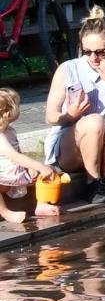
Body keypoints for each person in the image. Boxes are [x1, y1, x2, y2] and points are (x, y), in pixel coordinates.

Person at [43, 7, 105, 202]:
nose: (93, 58)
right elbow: (50, 117)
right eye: (87, 51)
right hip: (71, 150)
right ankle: (92, 182)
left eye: (100, 52)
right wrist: (69, 115)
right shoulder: (68, 69)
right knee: (94, 121)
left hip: (103, 146)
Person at [0, 87, 60, 222]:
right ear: (8, 113)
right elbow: (15, 156)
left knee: (50, 171)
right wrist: (39, 166)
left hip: (15, 173)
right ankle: (5, 213)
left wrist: (32, 167)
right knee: (43, 169)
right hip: (3, 177)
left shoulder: (10, 130)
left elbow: (19, 153)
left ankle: (42, 204)